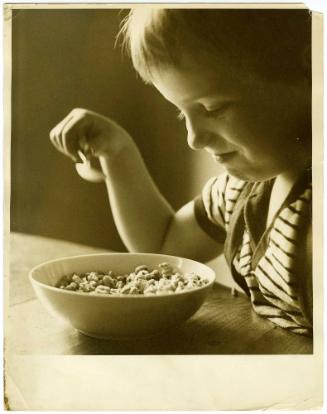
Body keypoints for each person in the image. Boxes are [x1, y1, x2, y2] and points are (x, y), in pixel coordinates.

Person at [49, 8, 312, 336]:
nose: (193, 138)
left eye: (212, 109)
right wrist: (118, 152)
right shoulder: (238, 191)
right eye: (181, 114)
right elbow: (165, 245)